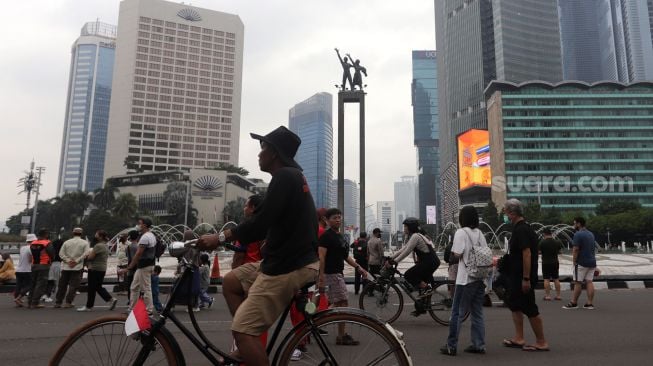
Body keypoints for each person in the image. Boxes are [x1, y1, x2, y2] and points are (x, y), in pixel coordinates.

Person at [197, 126, 319, 366]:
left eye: (262, 148)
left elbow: (260, 224)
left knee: (243, 330)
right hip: (286, 261)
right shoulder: (291, 177)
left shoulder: (285, 177)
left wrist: (219, 238)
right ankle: (248, 342)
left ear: (274, 153)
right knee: (231, 281)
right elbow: (268, 220)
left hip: (286, 267)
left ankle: (246, 336)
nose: (259, 154)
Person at [501, 199, 549, 352]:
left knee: (529, 308)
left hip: (523, 277)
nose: (505, 215)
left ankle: (541, 342)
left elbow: (526, 253)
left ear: (513, 213)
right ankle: (519, 338)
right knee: (515, 306)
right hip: (516, 276)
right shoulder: (521, 228)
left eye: (506, 212)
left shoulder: (522, 229)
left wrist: (526, 278)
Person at [318, 208, 369, 346]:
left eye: (339, 217)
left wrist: (359, 267)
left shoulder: (339, 236)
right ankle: (339, 334)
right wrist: (321, 277)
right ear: (326, 220)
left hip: (337, 273)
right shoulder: (326, 237)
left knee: (338, 303)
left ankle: (321, 322)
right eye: (334, 217)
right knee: (343, 303)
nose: (338, 219)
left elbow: (346, 256)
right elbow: (321, 257)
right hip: (331, 274)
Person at [440, 206, 487, 356]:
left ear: (462, 218)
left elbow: (457, 255)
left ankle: (451, 345)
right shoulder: (480, 233)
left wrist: (450, 256)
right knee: (477, 312)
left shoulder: (461, 232)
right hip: (479, 278)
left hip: (465, 279)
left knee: (456, 313)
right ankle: (478, 345)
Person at [389, 218, 440, 304]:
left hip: (429, 262)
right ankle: (422, 306)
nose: (404, 228)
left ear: (410, 227)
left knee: (408, 274)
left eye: (405, 226)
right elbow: (402, 250)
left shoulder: (416, 236)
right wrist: (391, 258)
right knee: (419, 283)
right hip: (429, 262)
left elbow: (407, 252)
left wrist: (395, 261)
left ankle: (427, 289)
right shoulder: (415, 236)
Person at [118, 217, 157, 314]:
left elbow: (139, 253)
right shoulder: (151, 235)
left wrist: (130, 267)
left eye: (140, 223)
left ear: (144, 225)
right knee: (134, 287)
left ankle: (149, 310)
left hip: (144, 266)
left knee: (146, 288)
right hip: (146, 265)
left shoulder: (145, 237)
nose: (138, 225)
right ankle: (132, 308)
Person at [78, 230, 118, 312]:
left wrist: (86, 256)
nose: (95, 236)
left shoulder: (98, 246)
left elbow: (90, 257)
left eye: (96, 234)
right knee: (97, 286)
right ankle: (110, 299)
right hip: (102, 269)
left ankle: (89, 306)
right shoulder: (105, 245)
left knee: (91, 288)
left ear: (100, 237)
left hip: (94, 268)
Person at [563, 217, 598, 310]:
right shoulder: (591, 234)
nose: (573, 225)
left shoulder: (578, 234)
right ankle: (589, 303)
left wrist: (574, 262)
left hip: (581, 262)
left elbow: (575, 249)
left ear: (579, 224)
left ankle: (573, 303)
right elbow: (592, 249)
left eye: (574, 223)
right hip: (592, 262)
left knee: (578, 282)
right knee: (589, 282)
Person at [55, 228, 90, 309]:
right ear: (81, 234)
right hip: (77, 267)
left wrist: (68, 261)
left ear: (73, 233)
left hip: (66, 267)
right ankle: (68, 302)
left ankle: (58, 302)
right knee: (73, 286)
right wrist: (76, 261)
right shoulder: (85, 243)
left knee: (62, 285)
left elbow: (61, 254)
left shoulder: (67, 242)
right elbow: (86, 253)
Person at [230, 194, 265, 269]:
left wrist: (233, 272)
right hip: (261, 269)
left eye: (246, 206)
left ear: (252, 208)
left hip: (246, 270)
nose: (244, 209)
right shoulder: (265, 227)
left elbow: (239, 256)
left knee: (227, 279)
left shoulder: (245, 229)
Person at [28, 228, 55, 309]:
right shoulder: (47, 243)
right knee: (40, 284)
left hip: (34, 265)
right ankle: (35, 303)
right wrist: (51, 260)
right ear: (46, 234)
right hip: (44, 265)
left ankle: (30, 301)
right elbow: (52, 254)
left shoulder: (33, 243)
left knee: (33, 284)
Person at [539, 228, 563, 301]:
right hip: (555, 262)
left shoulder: (542, 242)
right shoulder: (557, 242)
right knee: (556, 278)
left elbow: (539, 252)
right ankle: (558, 295)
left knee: (546, 279)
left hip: (546, 263)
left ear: (544, 234)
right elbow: (560, 252)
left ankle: (548, 296)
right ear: (551, 233)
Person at [14, 234, 35, 307]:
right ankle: (18, 298)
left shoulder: (22, 248)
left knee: (19, 285)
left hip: (18, 270)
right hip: (27, 270)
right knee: (30, 285)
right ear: (33, 241)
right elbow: (30, 260)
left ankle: (17, 300)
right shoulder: (31, 248)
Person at [44, 238, 64, 303]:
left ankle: (46, 295)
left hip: (49, 264)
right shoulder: (61, 250)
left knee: (49, 281)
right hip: (58, 265)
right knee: (57, 282)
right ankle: (57, 297)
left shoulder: (51, 249)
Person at [124, 230, 140, 303]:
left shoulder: (128, 247)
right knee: (137, 286)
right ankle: (136, 301)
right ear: (138, 237)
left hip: (130, 268)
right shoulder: (139, 246)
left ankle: (130, 300)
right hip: (137, 268)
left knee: (130, 285)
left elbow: (128, 256)